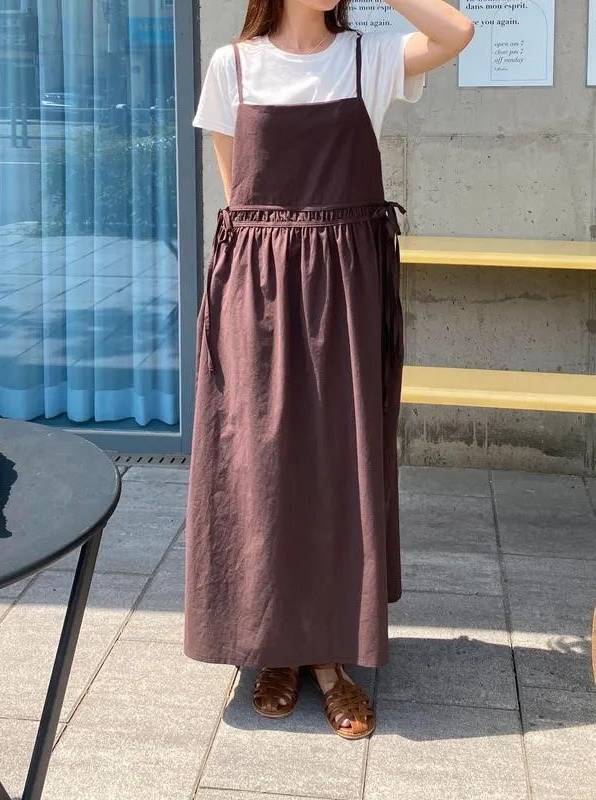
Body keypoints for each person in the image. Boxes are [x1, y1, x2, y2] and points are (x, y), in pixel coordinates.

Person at [185, 0, 474, 740]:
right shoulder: (233, 65)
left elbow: (457, 32)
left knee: (340, 467)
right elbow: (240, 203)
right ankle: (274, 648)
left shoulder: (365, 57)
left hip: (347, 294)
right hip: (261, 294)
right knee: (264, 470)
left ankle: (329, 658)